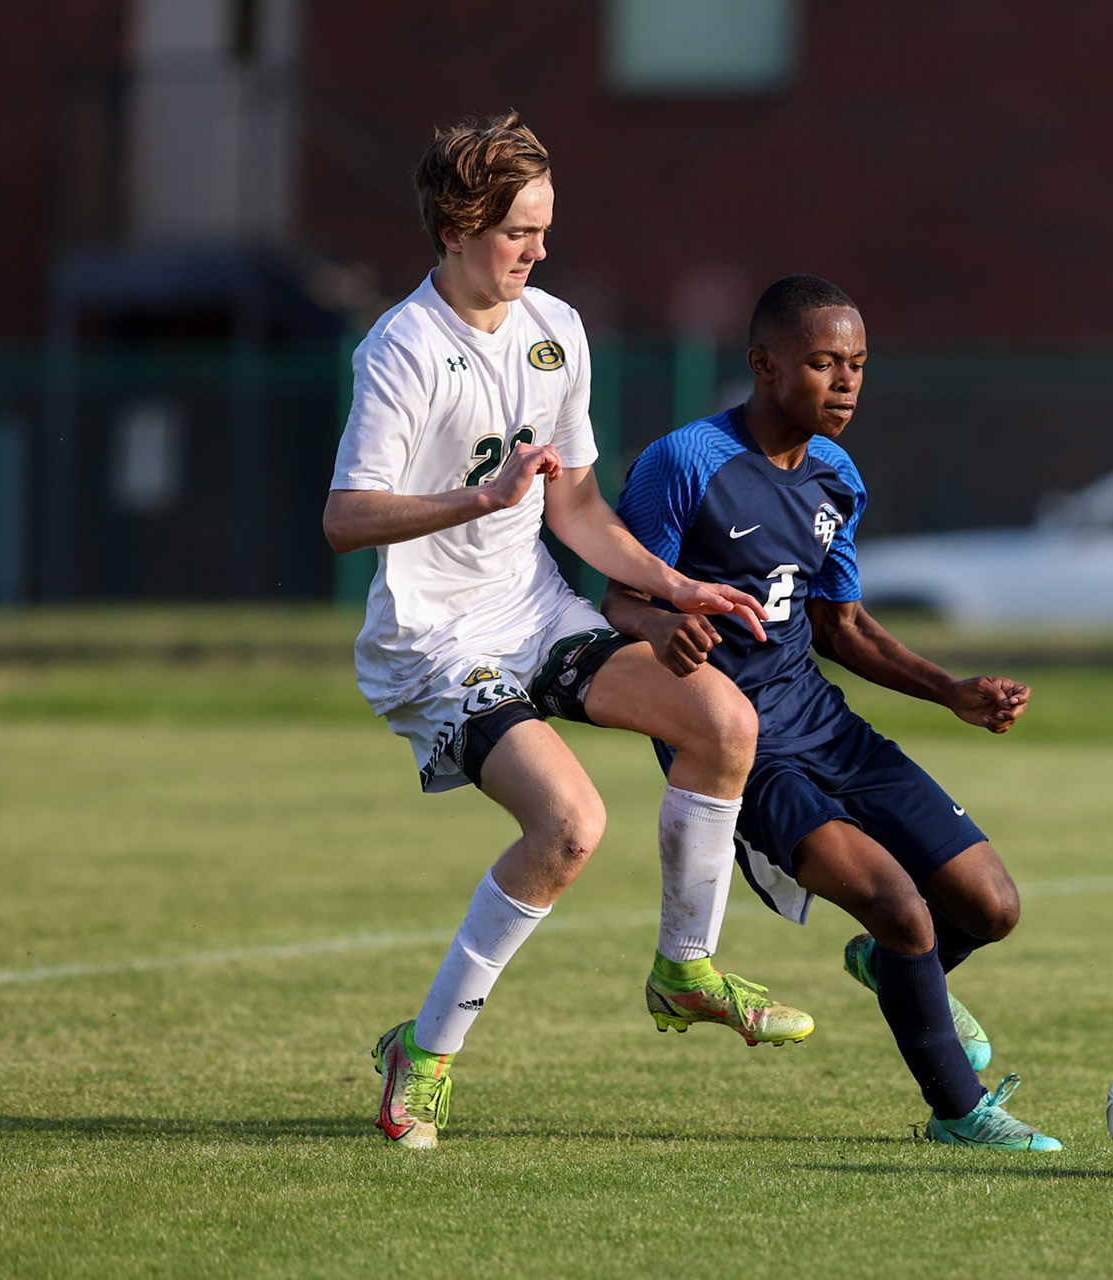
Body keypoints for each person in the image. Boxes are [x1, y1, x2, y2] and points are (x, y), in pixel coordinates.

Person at [323, 113, 812, 1151]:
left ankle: (686, 969)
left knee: (721, 720)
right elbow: (346, 517)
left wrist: (678, 585)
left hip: (537, 610)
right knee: (570, 828)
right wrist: (480, 496)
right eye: (517, 232)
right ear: (456, 229)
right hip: (437, 643)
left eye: (545, 228)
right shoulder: (402, 349)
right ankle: (425, 1052)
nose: (538, 250)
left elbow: (578, 510)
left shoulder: (557, 327)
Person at [602, 275, 1060, 1151]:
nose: (845, 382)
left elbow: (838, 625)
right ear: (763, 365)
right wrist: (664, 625)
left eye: (856, 365)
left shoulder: (836, 475)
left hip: (824, 723)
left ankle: (892, 968)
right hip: (736, 747)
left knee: (990, 907)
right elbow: (618, 597)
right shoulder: (683, 463)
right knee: (900, 906)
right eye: (823, 363)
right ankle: (961, 1115)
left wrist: (952, 690)